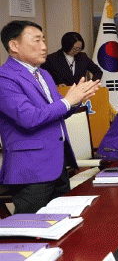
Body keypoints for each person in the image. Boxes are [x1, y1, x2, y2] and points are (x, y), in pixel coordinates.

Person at [0, 21, 100, 213]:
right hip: (32, 169)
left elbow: (59, 110)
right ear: (14, 45)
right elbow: (28, 118)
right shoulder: (5, 77)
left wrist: (77, 99)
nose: (44, 46)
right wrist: (68, 101)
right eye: (36, 40)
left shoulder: (44, 74)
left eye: (44, 40)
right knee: (32, 226)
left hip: (59, 164)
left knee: (63, 222)